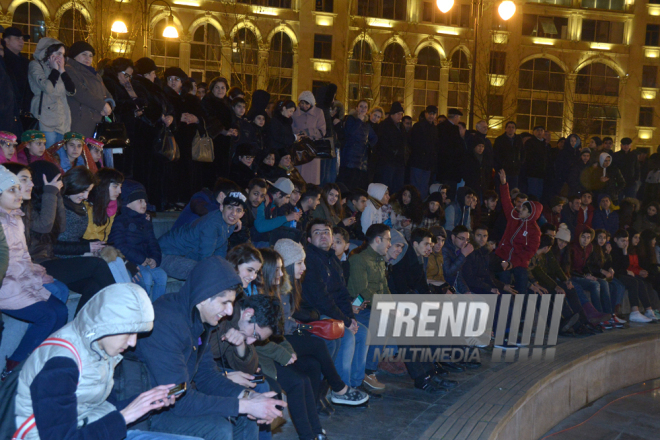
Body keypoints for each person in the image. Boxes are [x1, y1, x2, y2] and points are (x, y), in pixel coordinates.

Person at [14, 283, 204, 440]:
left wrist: (145, 403)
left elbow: (99, 407)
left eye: (136, 333)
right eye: (129, 332)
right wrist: (125, 416)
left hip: (90, 428)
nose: (133, 342)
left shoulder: (98, 348)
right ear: (108, 323)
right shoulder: (62, 364)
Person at [134, 257, 286, 440]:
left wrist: (248, 396)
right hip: (149, 411)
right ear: (203, 298)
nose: (230, 312)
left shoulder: (198, 321)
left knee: (245, 416)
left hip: (176, 399)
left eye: (232, 303)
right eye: (224, 303)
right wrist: (244, 405)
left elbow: (207, 376)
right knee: (219, 428)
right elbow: (179, 397)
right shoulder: (166, 322)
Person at [0, 165, 68, 379]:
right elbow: (6, 266)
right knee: (46, 316)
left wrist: (34, 273)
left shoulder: (16, 218)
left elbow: (23, 257)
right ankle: (13, 366)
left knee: (62, 312)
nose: (20, 194)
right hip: (7, 287)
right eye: (12, 190)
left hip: (22, 282)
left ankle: (41, 361)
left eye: (19, 189)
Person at [302, 219, 371, 393]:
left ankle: (355, 383)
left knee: (362, 332)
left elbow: (342, 294)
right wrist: (345, 321)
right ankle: (341, 389)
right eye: (316, 232)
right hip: (315, 313)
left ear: (332, 237)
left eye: (326, 232)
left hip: (333, 311)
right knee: (346, 334)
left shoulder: (333, 259)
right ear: (309, 240)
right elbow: (320, 299)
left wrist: (351, 319)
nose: (322, 235)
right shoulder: (309, 260)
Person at [158, 191, 246, 280]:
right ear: (222, 207)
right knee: (204, 273)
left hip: (184, 256)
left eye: (238, 210)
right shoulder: (212, 224)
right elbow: (205, 257)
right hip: (164, 254)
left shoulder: (229, 224)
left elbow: (220, 251)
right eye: (230, 208)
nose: (233, 213)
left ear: (242, 214)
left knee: (223, 270)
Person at [347, 224, 392, 387]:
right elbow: (362, 292)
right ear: (378, 239)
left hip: (373, 304)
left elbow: (384, 287)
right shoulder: (359, 259)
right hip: (358, 305)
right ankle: (368, 372)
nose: (390, 244)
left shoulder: (379, 259)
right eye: (388, 240)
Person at [109, 180, 168, 302]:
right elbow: (118, 245)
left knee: (162, 275)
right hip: (131, 262)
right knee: (145, 277)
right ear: (128, 204)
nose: (144, 204)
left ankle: (157, 309)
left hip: (145, 261)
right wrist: (141, 259)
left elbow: (153, 242)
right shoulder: (121, 221)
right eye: (139, 201)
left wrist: (155, 259)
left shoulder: (145, 221)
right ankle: (142, 309)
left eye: (145, 201)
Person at [131, 57, 175, 208]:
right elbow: (145, 107)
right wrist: (160, 116)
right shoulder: (138, 85)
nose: (155, 76)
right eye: (152, 73)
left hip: (156, 135)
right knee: (147, 172)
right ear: (146, 74)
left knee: (158, 172)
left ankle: (158, 201)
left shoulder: (154, 86)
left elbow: (167, 105)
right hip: (145, 136)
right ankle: (149, 202)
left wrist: (170, 115)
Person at [495, 169, 543, 296]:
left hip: (519, 262)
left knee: (521, 280)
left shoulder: (535, 231)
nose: (520, 209)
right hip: (503, 256)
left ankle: (519, 311)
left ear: (531, 213)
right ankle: (503, 309)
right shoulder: (513, 217)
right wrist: (504, 183)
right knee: (504, 277)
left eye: (525, 208)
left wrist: (513, 263)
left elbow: (528, 253)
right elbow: (506, 202)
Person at [27, 37, 76, 147]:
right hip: (46, 119)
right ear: (47, 52)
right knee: (50, 154)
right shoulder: (36, 65)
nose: (60, 57)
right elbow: (47, 88)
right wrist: (54, 70)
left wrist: (62, 71)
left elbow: (72, 91)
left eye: (63, 55)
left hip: (63, 120)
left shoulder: (60, 69)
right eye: (58, 53)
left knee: (61, 155)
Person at [65, 41, 114, 138]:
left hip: (96, 120)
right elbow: (80, 91)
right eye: (84, 54)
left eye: (91, 56)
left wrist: (110, 105)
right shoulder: (69, 70)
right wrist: (102, 105)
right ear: (74, 56)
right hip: (79, 120)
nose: (88, 58)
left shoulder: (94, 74)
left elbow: (106, 94)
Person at [610, 229, 656, 323]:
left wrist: (624, 251)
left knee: (640, 282)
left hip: (621, 273)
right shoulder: (612, 249)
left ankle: (648, 310)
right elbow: (616, 268)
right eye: (622, 241)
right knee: (633, 282)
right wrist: (626, 272)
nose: (625, 243)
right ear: (615, 239)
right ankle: (635, 312)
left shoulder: (622, 249)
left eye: (626, 241)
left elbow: (624, 265)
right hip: (615, 275)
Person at [337, 100, 377, 191]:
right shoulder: (351, 119)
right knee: (347, 185)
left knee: (357, 186)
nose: (363, 109)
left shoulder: (367, 124)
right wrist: (359, 120)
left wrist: (368, 145)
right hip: (349, 159)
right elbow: (350, 133)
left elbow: (374, 137)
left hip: (361, 161)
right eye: (361, 106)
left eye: (365, 107)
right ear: (356, 108)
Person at [172, 177, 241, 230]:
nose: (234, 201)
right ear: (221, 195)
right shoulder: (202, 196)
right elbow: (199, 207)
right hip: (176, 244)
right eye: (232, 197)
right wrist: (227, 215)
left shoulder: (221, 210)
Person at [202, 77, 235, 181]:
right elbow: (209, 118)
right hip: (212, 141)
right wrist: (222, 130)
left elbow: (235, 119)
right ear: (212, 89)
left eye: (223, 88)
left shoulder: (228, 103)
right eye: (217, 87)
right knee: (212, 171)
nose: (220, 90)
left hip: (226, 142)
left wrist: (235, 129)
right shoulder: (207, 101)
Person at [292, 91, 326, 185]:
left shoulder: (319, 112)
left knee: (311, 179)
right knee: (298, 178)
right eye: (302, 103)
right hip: (299, 149)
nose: (304, 106)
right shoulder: (295, 113)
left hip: (312, 150)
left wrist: (308, 132)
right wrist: (298, 132)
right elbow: (290, 127)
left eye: (307, 103)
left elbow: (322, 131)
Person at [373, 102, 406, 193]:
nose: (400, 116)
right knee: (387, 186)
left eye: (401, 114)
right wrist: (393, 151)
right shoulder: (385, 126)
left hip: (398, 161)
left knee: (397, 186)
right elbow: (382, 143)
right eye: (398, 114)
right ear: (393, 114)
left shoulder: (400, 126)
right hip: (388, 162)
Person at [391, 228, 434, 295]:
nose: (429, 249)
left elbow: (421, 283)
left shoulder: (419, 257)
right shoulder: (402, 257)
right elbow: (401, 286)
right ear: (415, 244)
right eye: (426, 244)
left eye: (430, 245)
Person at [409, 105, 439, 199]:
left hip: (426, 163)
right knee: (417, 187)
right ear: (425, 114)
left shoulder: (433, 128)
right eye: (429, 113)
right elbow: (414, 143)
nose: (431, 116)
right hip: (419, 162)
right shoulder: (418, 126)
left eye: (433, 114)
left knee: (423, 187)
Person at [2, 27, 32, 115]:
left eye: (22, 39)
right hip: (7, 108)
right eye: (17, 38)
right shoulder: (3, 60)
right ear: (6, 41)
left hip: (23, 108)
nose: (22, 42)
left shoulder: (25, 62)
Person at [436, 108, 465, 198]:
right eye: (458, 117)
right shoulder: (452, 129)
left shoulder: (441, 127)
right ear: (455, 117)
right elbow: (455, 148)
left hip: (444, 168)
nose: (459, 120)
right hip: (451, 168)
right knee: (449, 193)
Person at [521, 125, 549, 200]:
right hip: (532, 173)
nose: (539, 132)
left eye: (541, 130)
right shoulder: (530, 142)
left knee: (539, 194)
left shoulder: (544, 143)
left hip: (541, 174)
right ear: (533, 132)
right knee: (533, 194)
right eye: (537, 130)